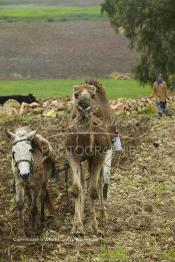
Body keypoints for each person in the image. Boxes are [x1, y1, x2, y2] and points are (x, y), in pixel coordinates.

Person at [103, 129, 124, 206]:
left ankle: (104, 198)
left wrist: (119, 148)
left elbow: (115, 137)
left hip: (106, 150)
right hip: (93, 150)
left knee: (105, 172)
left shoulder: (109, 122)